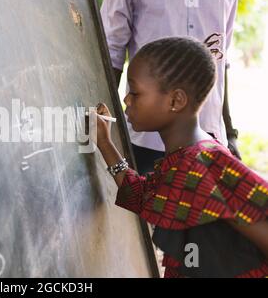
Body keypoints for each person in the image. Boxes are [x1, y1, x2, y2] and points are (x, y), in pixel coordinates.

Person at [93, 37, 268, 278]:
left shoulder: (206, 163)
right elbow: (145, 197)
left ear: (176, 100)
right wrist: (105, 143)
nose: (126, 99)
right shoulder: (182, 159)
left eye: (134, 91)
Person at [100, 0, 242, 174]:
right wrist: (101, 127)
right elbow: (111, 49)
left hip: (209, 134)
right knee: (143, 201)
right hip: (147, 139)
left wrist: (229, 131)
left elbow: (221, 55)